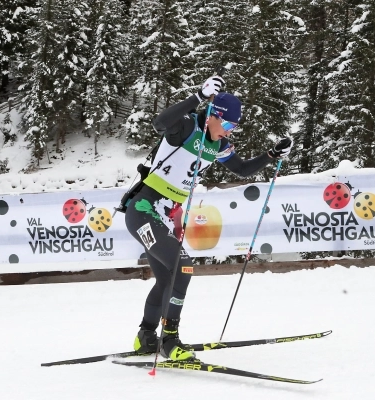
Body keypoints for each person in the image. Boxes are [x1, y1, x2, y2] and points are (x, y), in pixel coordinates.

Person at [124, 75, 293, 361]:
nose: (228, 131)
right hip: (142, 210)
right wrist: (198, 97)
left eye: (234, 127)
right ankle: (170, 341)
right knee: (184, 268)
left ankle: (146, 337)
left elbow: (240, 169)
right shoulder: (187, 127)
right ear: (214, 115)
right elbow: (160, 123)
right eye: (227, 124)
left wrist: (271, 154)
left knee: (166, 279)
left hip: (164, 217)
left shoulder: (218, 145)